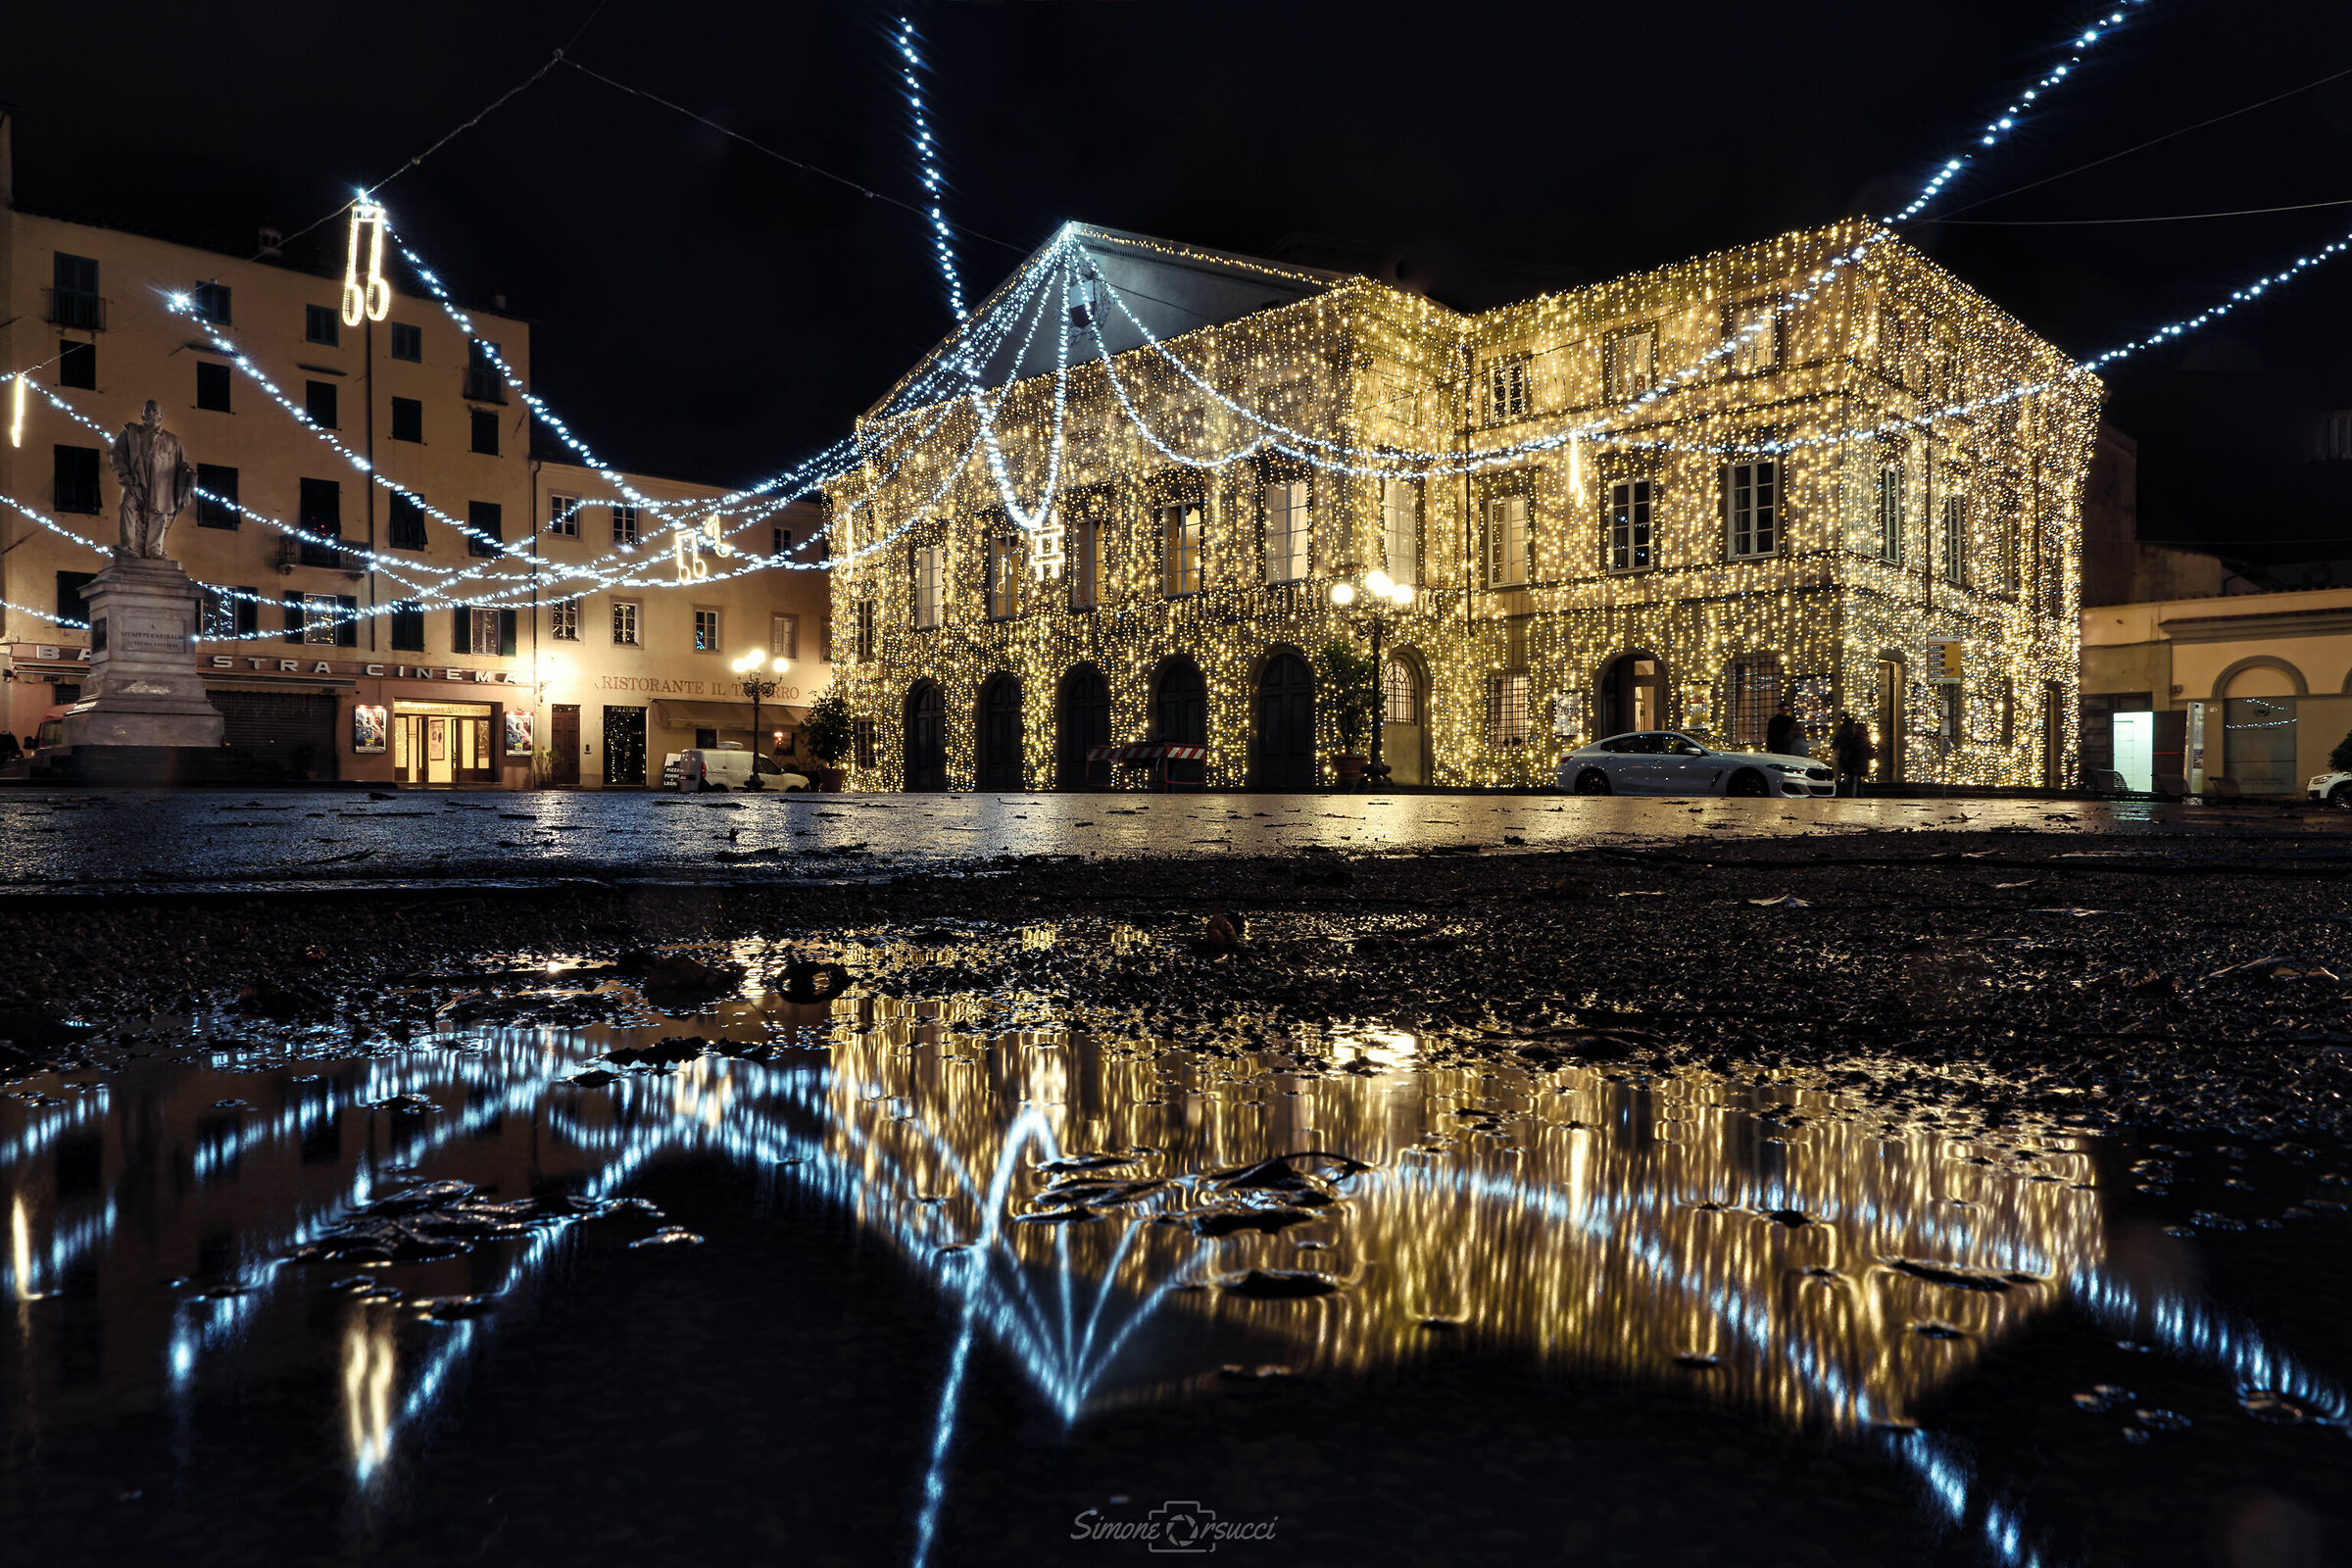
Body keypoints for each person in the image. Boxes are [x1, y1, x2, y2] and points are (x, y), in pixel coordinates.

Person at [1832, 711, 1873, 796]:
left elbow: (1849, 748)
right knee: (1856, 781)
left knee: (1853, 781)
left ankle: (1853, 796)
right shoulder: (1864, 739)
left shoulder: (1851, 735)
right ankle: (1857, 796)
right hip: (1858, 764)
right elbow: (1870, 753)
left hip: (1854, 764)